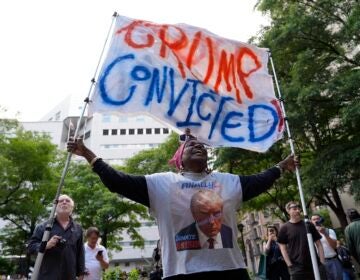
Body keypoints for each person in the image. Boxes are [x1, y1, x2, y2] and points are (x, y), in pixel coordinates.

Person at [67, 137, 298, 279]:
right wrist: (87, 153)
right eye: (191, 146)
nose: (197, 146)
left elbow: (261, 178)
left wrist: (281, 166)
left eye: (200, 145)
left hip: (230, 270)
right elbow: (117, 181)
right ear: (180, 160)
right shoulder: (160, 184)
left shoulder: (229, 181)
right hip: (181, 273)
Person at [27, 194, 85, 280]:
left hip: (69, 276)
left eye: (67, 201)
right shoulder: (43, 227)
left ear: (72, 207)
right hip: (47, 276)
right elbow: (30, 247)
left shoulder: (78, 228)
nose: (64, 202)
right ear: (55, 206)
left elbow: (80, 253)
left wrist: (81, 274)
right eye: (61, 201)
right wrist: (46, 245)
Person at [277, 202, 326, 280]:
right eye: (294, 208)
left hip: (314, 265)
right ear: (288, 211)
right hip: (297, 268)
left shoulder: (308, 225)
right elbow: (282, 248)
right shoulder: (284, 228)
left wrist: (322, 262)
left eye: (298, 208)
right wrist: (289, 265)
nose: (297, 210)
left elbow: (319, 244)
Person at [310, 214, 342, 280]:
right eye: (314, 219)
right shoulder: (310, 235)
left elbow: (334, 246)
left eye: (317, 219)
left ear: (321, 220)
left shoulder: (329, 231)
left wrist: (325, 233)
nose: (316, 221)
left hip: (333, 260)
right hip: (319, 263)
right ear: (311, 222)